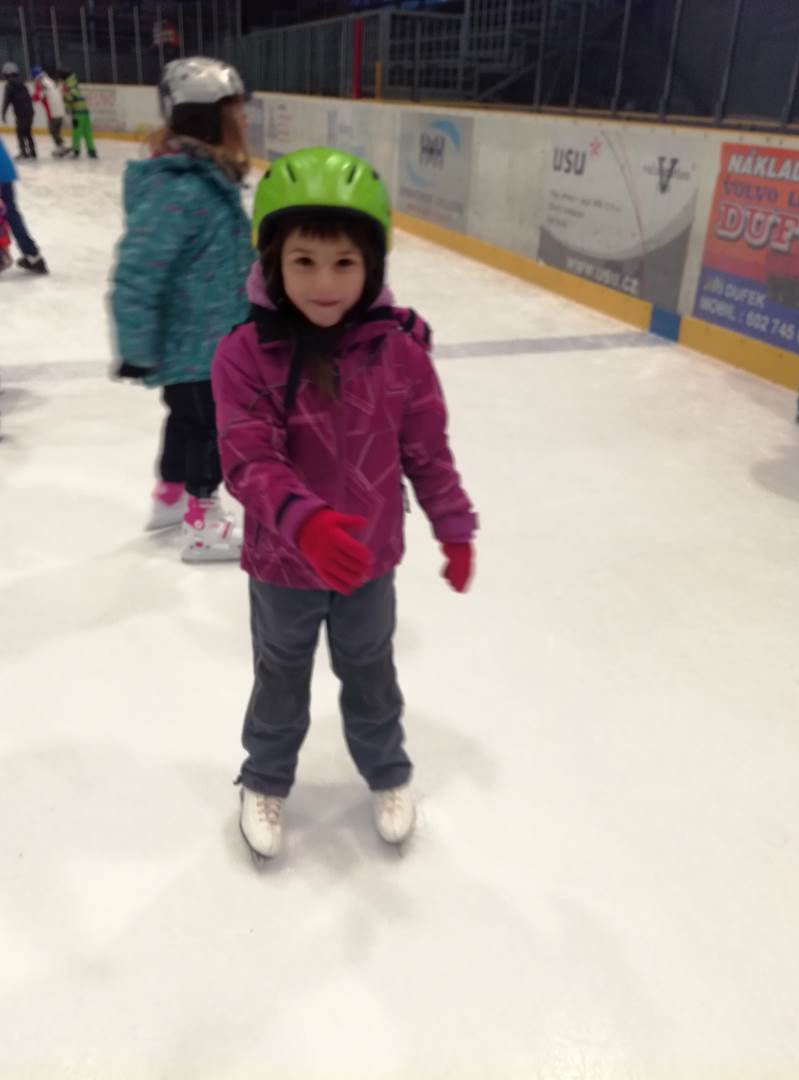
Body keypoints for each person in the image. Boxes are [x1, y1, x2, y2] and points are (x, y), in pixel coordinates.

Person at [212, 147, 478, 860]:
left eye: (344, 263)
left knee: (370, 670)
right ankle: (264, 778)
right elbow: (248, 457)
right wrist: (305, 524)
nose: (324, 283)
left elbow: (427, 450)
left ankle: (387, 773)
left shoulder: (400, 353)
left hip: (368, 559)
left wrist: (454, 528)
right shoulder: (244, 354)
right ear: (274, 261)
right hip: (283, 564)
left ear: (372, 265)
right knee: (281, 674)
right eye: (304, 261)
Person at [110, 57, 252, 561]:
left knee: (186, 421)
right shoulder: (181, 187)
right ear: (207, 118)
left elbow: (227, 257)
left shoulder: (206, 178)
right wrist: (136, 348)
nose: (245, 120)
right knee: (210, 429)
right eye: (235, 111)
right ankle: (202, 522)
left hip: (208, 336)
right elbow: (139, 268)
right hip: (196, 346)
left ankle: (169, 498)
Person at [0, 135, 47, 272]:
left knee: (8, 213)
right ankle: (33, 255)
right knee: (10, 213)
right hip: (5, 173)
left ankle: (9, 256)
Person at [58, 67, 97, 159]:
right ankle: (92, 151)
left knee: (77, 132)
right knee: (87, 132)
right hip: (84, 112)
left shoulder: (69, 85)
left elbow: (72, 97)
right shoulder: (74, 82)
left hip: (77, 113)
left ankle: (76, 150)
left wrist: (65, 98)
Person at [31, 66, 68, 157]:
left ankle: (61, 147)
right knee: (56, 131)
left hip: (52, 112)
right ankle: (61, 146)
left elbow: (38, 96)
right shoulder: (49, 80)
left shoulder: (40, 83)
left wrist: (30, 98)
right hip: (60, 110)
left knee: (52, 130)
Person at [1, 61, 36, 160]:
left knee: (20, 133)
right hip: (29, 112)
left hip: (20, 114)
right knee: (28, 132)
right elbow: (28, 98)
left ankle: (23, 152)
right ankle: (33, 151)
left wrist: (3, 114)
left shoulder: (9, 86)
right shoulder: (22, 84)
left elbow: (6, 102)